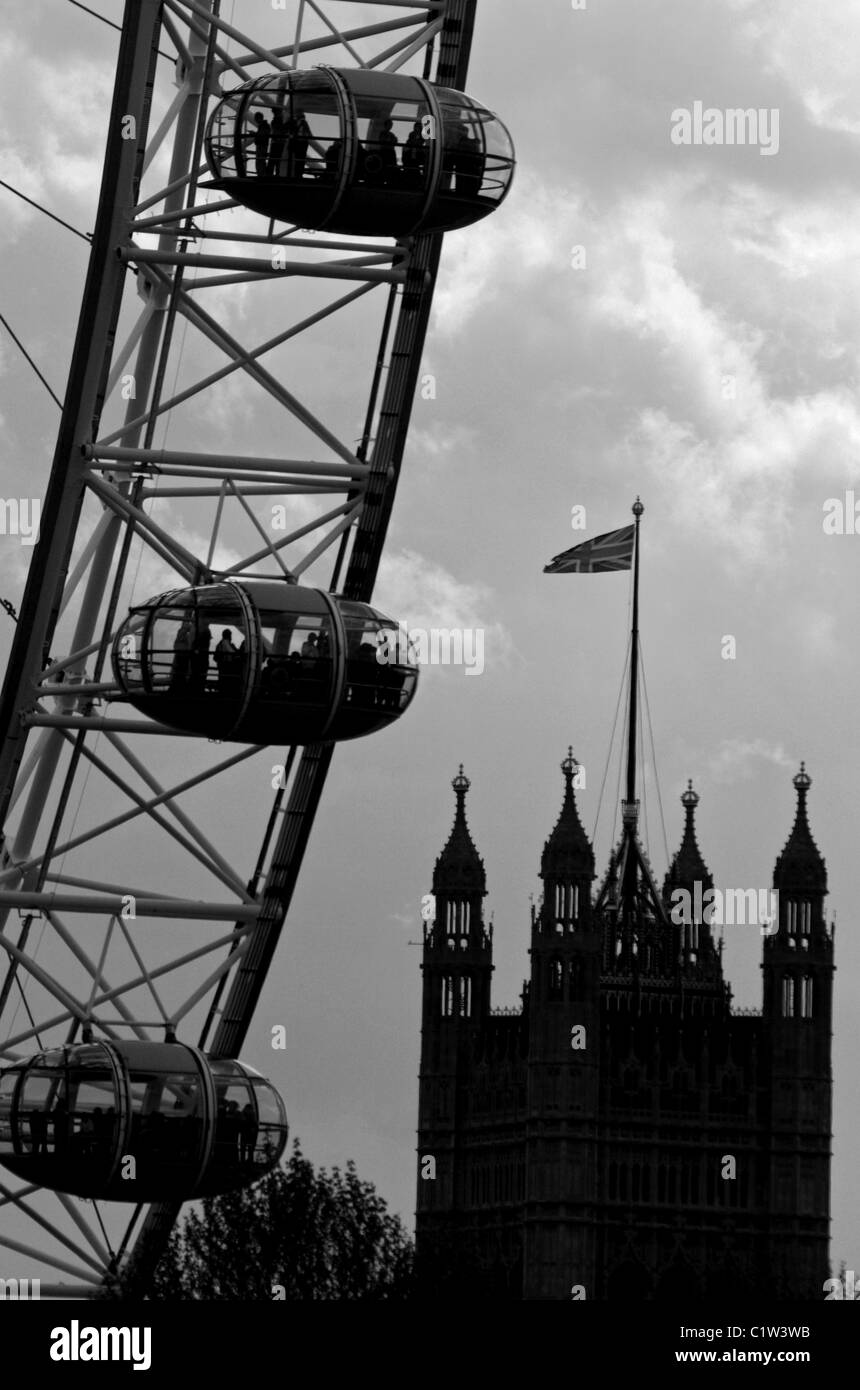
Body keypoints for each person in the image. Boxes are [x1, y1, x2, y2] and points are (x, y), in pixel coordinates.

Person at [214, 628, 240, 697]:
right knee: (226, 682)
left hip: (222, 666)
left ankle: (222, 694)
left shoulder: (220, 644)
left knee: (222, 681)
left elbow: (216, 657)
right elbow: (232, 652)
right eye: (230, 635)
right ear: (229, 636)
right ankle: (224, 695)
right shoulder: (226, 643)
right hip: (226, 666)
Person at [170, 619, 194, 692]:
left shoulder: (181, 635)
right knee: (181, 673)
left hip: (181, 656)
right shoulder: (185, 635)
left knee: (178, 673)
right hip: (183, 657)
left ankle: (177, 686)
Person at [189, 624, 212, 695]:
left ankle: (196, 691)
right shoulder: (203, 647)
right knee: (200, 678)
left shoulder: (196, 644)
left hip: (199, 663)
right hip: (201, 663)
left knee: (197, 678)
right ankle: (198, 691)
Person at [378, 118, 399, 184]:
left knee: (389, 166)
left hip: (388, 152)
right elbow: (385, 141)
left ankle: (388, 180)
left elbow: (394, 141)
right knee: (386, 166)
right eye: (390, 125)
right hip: (386, 152)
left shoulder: (389, 134)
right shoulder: (384, 133)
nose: (390, 126)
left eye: (391, 125)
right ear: (386, 125)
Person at [251, 111, 271, 178]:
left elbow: (262, 136)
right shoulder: (265, 126)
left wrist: (254, 134)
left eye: (256, 119)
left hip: (261, 146)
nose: (256, 121)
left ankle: (262, 176)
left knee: (260, 162)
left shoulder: (263, 126)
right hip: (262, 146)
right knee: (261, 161)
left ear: (258, 118)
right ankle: (262, 176)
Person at [269, 108, 287, 177]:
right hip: (280, 143)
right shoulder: (282, 121)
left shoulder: (275, 121)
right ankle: (277, 174)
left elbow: (276, 131)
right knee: (278, 161)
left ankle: (270, 175)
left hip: (276, 143)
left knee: (273, 160)